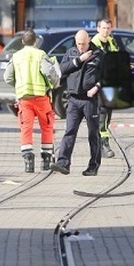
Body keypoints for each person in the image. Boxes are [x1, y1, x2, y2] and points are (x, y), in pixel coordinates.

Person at [50, 29, 104, 176]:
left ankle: (93, 166)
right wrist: (78, 60)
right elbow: (61, 70)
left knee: (93, 133)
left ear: (89, 40)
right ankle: (63, 163)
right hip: (73, 99)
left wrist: (96, 88)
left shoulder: (98, 54)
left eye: (84, 44)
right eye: (79, 43)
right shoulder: (71, 52)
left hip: (90, 100)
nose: (81, 47)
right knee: (69, 131)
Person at [3, 29, 55, 172]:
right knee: (47, 126)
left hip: (24, 99)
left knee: (26, 128)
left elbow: (7, 77)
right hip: (41, 98)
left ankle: (28, 159)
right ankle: (46, 159)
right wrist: (53, 84)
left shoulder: (16, 56)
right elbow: (49, 72)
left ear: (22, 42)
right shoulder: (41, 54)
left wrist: (18, 84)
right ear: (35, 42)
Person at [91, 18, 123, 158]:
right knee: (102, 115)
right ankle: (103, 144)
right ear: (98, 29)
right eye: (103, 28)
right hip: (98, 85)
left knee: (107, 116)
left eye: (108, 28)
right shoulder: (93, 45)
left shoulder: (112, 42)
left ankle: (99, 144)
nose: (106, 31)